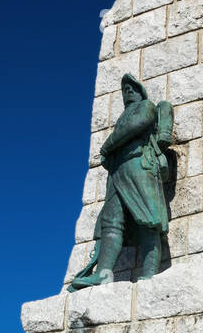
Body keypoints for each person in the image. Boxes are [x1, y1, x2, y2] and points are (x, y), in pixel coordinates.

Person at [68, 73, 173, 289]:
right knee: (111, 222)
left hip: (139, 166)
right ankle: (103, 274)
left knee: (148, 219)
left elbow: (137, 124)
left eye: (131, 89)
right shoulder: (122, 117)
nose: (128, 93)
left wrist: (107, 145)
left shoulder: (146, 106)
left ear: (140, 91)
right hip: (118, 172)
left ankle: (150, 273)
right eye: (125, 91)